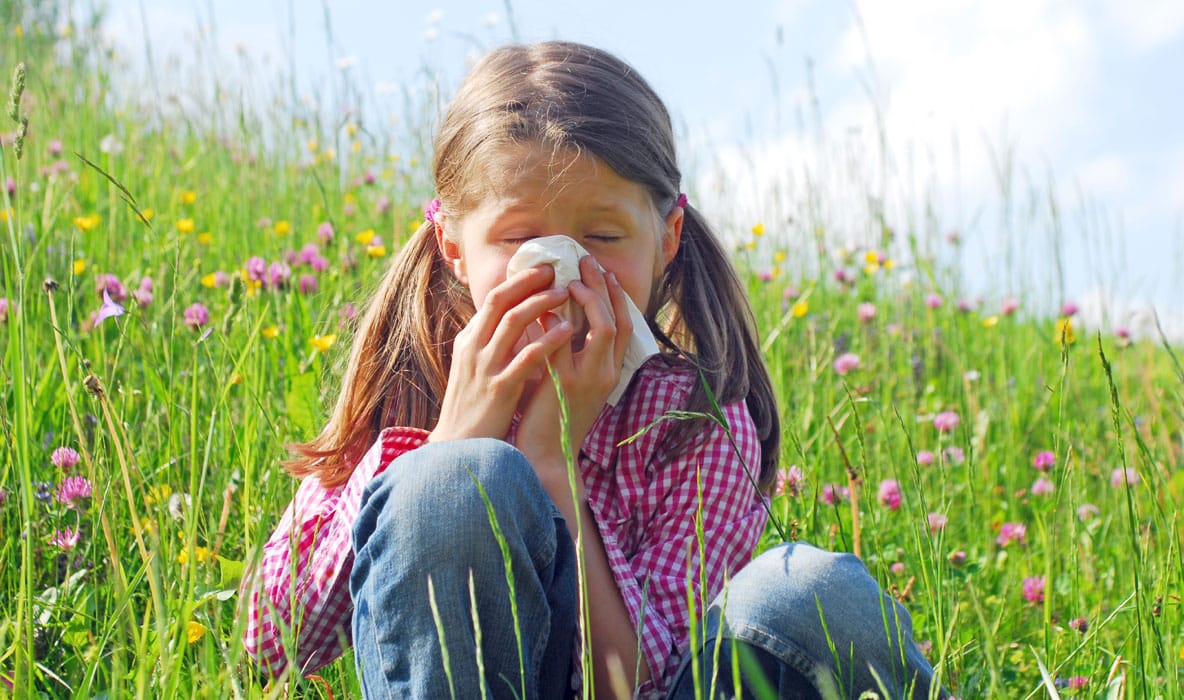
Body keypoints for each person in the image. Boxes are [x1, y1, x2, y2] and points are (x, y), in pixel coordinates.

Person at [241, 41, 945, 699]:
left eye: (602, 238)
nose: (565, 270)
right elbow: (277, 642)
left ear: (666, 239)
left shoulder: (695, 419)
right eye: (520, 239)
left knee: (809, 594)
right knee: (453, 484)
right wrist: (451, 441)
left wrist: (553, 466)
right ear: (451, 244)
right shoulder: (415, 383)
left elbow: (642, 679)